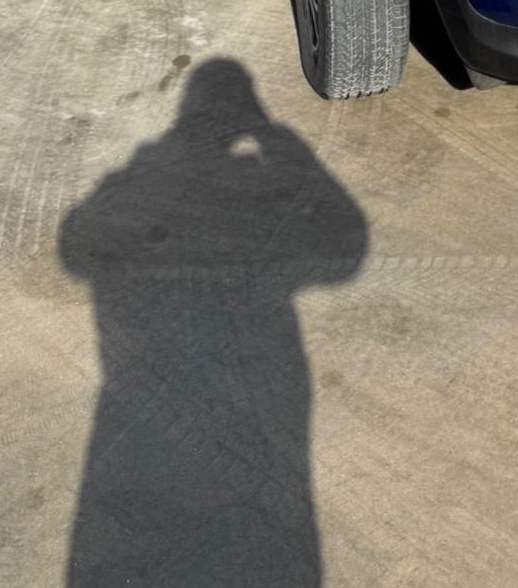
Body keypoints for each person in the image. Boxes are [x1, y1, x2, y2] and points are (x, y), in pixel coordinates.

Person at [60, 59, 367, 586]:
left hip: (145, 386)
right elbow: (347, 249)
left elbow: (76, 249)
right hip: (263, 369)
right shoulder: (174, 169)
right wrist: (278, 143)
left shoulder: (147, 170)